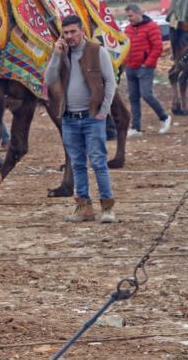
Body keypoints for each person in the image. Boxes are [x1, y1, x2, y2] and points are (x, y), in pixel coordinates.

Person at [46, 15, 118, 223]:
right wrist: (56, 55)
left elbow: (110, 82)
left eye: (73, 32)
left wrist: (103, 111)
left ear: (82, 31)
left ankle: (107, 208)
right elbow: (49, 79)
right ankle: (84, 208)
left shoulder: (97, 51)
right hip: (69, 118)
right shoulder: (63, 54)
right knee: (77, 164)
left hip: (92, 117)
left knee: (98, 162)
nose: (70, 36)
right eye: (66, 33)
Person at [123, 4, 172, 136]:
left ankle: (164, 117)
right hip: (130, 67)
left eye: (130, 16)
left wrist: (147, 64)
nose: (129, 19)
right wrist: (124, 63)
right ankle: (135, 127)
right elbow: (125, 47)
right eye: (127, 16)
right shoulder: (128, 29)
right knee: (133, 98)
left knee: (146, 94)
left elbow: (157, 47)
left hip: (144, 68)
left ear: (139, 13)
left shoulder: (152, 27)